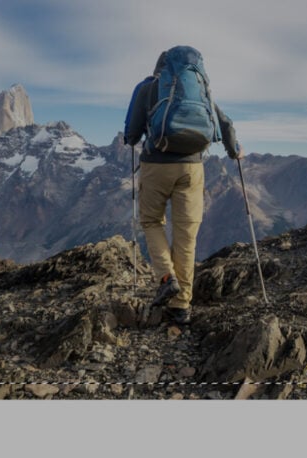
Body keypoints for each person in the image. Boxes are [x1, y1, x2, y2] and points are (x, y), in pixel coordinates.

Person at [124, 46, 243, 325]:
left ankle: (166, 277)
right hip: (192, 167)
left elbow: (131, 132)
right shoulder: (200, 89)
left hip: (156, 165)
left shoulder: (148, 88)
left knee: (152, 221)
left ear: (160, 69)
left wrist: (134, 138)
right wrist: (234, 150)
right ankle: (181, 307)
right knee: (186, 236)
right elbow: (224, 124)